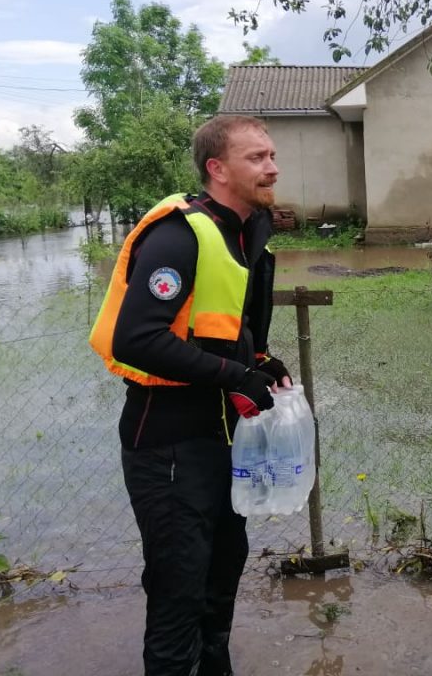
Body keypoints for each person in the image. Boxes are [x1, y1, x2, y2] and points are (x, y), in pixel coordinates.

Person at [89, 115, 293, 675]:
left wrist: (256, 360)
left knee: (222, 575)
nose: (272, 166)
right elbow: (138, 339)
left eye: (272, 155)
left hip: (224, 438)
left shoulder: (249, 230)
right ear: (217, 168)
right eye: (257, 158)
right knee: (179, 591)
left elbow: (221, 325)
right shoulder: (178, 235)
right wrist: (234, 378)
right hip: (167, 443)